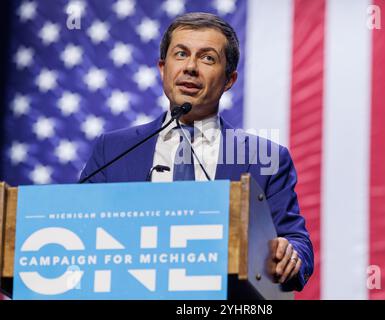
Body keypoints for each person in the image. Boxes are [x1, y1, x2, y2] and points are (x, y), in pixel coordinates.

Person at [80, 12, 313, 292]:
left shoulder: (266, 159)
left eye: (207, 58)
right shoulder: (113, 149)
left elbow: (296, 242)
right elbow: (79, 227)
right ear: (162, 68)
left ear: (229, 80)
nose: (190, 67)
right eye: (180, 54)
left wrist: (290, 254)